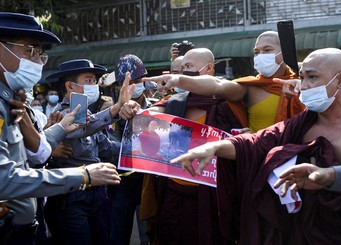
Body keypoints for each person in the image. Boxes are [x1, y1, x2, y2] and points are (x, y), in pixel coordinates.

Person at [171, 48, 341, 244]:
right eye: (302, 77)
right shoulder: (302, 123)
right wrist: (214, 147)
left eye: (313, 77)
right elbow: (255, 143)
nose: (305, 86)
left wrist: (331, 175)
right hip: (300, 231)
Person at [0, 12, 121, 244]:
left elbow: (31, 152)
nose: (38, 60)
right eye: (30, 50)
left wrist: (60, 127)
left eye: (40, 53)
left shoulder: (5, 98)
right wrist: (82, 175)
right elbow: (0, 179)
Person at [120, 48, 243, 244]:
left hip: (213, 194)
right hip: (175, 193)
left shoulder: (226, 103)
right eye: (182, 67)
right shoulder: (174, 103)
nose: (184, 72)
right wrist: (132, 109)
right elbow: (151, 114)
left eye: (189, 66)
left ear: (209, 68)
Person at [41, 58, 130, 245]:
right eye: (88, 80)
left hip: (95, 194)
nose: (93, 85)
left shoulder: (89, 116)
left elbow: (106, 148)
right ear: (70, 86)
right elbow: (80, 128)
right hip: (70, 197)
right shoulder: (61, 115)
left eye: (94, 81)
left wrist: (138, 152)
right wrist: (115, 108)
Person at [143, 31, 305, 133]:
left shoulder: (303, 83)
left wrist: (302, 87)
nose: (260, 55)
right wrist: (179, 79)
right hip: (256, 156)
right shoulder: (250, 87)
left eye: (267, 50)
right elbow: (218, 85)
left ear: (285, 53)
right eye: (256, 52)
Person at [109, 54, 151, 245]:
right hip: (121, 183)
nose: (132, 85)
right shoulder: (110, 113)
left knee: (148, 235)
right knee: (118, 235)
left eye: (137, 80)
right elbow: (108, 146)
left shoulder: (158, 108)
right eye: (126, 81)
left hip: (148, 182)